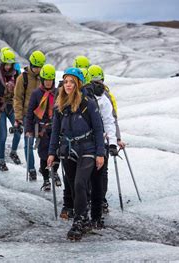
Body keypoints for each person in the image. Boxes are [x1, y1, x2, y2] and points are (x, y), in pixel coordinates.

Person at [47, 67, 105, 241]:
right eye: (66, 82)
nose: (68, 85)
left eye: (72, 82)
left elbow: (98, 128)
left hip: (87, 148)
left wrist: (100, 153)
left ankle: (79, 221)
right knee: (73, 185)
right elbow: (55, 130)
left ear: (78, 83)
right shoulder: (60, 103)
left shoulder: (88, 103)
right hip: (67, 148)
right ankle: (84, 217)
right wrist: (51, 152)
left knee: (80, 183)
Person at [88, 64, 126, 214]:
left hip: (103, 140)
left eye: (100, 81)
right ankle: (92, 198)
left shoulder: (106, 97)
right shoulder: (84, 96)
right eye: (95, 82)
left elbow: (112, 119)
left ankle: (100, 199)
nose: (98, 84)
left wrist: (114, 140)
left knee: (102, 171)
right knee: (91, 171)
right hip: (88, 140)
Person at [25, 64, 62, 191]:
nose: (48, 82)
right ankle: (46, 179)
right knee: (44, 154)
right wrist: (28, 129)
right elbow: (30, 112)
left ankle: (55, 171)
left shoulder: (58, 93)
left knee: (57, 152)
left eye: (50, 80)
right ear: (42, 79)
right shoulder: (36, 94)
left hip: (56, 127)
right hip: (41, 130)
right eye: (46, 79)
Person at [0, 47, 21, 171]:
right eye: (6, 64)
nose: (7, 66)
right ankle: (2, 161)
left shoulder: (17, 74)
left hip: (12, 107)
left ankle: (13, 151)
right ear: (2, 63)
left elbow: (20, 91)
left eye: (10, 64)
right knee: (3, 135)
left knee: (18, 131)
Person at [14, 50, 45, 181]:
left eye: (40, 67)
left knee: (45, 144)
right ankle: (31, 169)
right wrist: (18, 116)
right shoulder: (23, 78)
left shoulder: (46, 77)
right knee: (28, 144)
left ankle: (44, 169)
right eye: (36, 66)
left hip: (43, 116)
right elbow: (18, 97)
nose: (38, 69)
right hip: (28, 116)